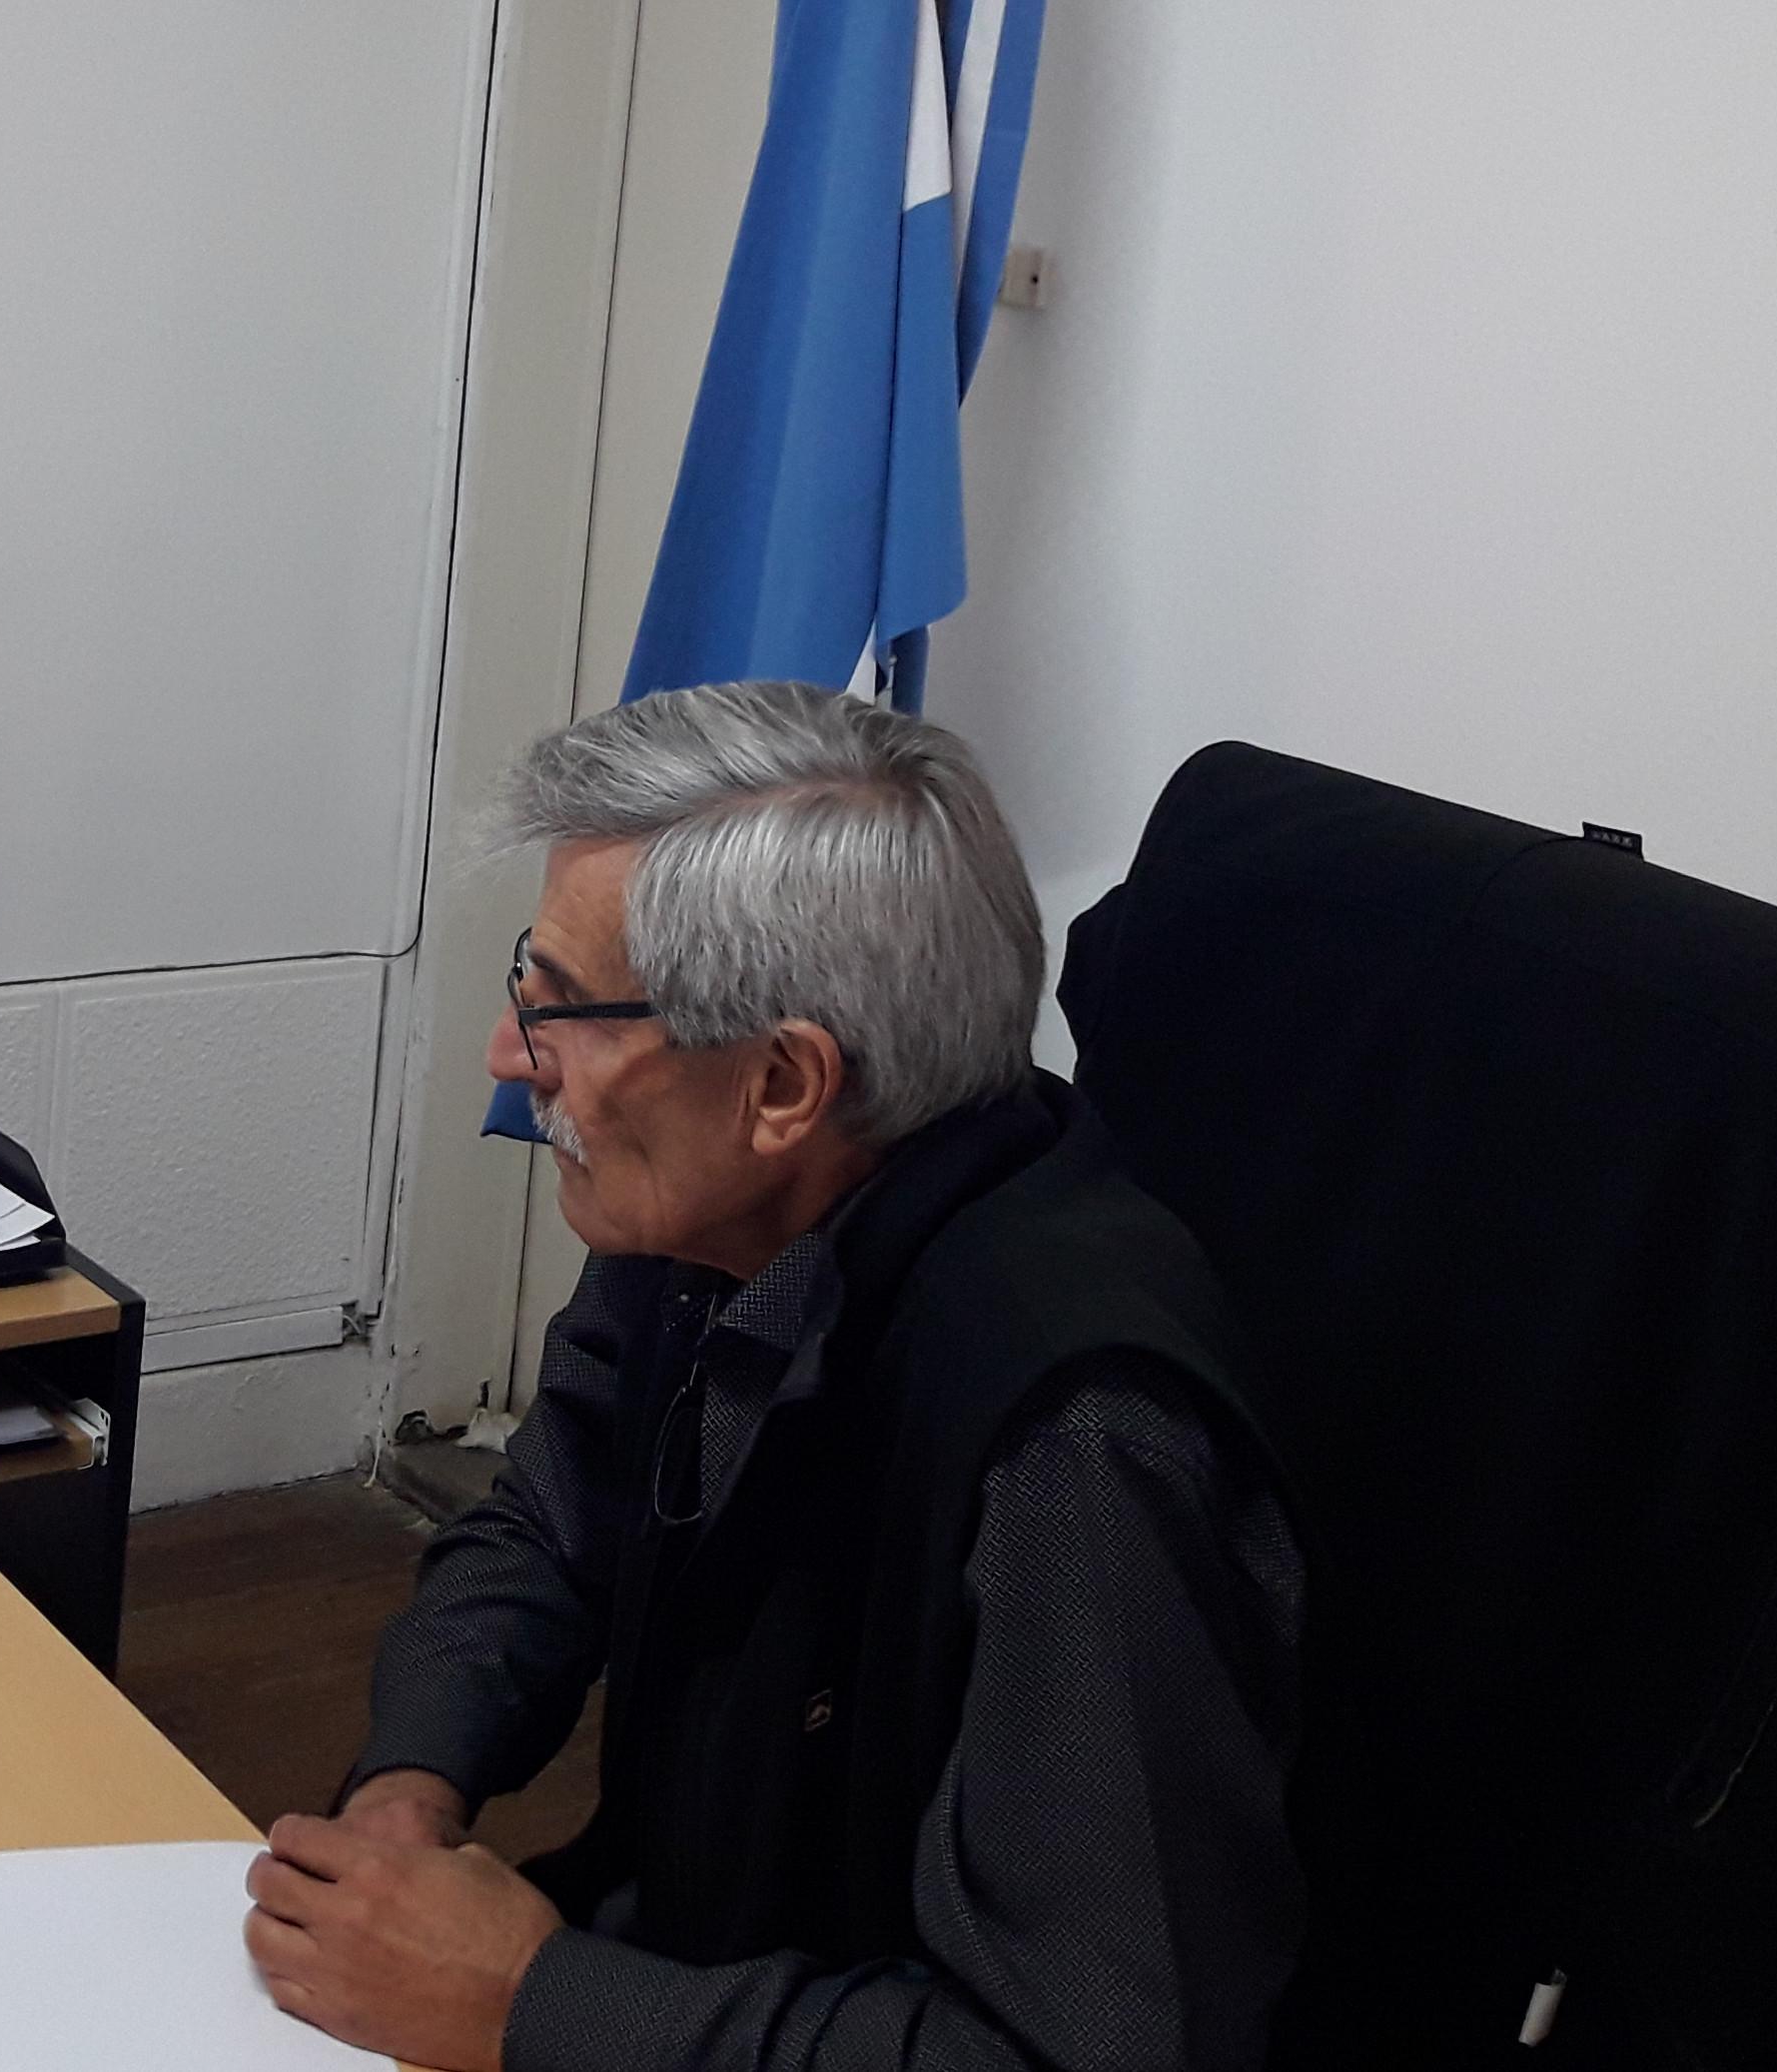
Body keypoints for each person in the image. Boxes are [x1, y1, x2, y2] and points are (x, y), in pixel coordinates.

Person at [246, 684, 1307, 2072]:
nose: (512, 1057)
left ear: (782, 1085)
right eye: (527, 985)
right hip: (693, 1970)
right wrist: (412, 1777)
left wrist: (527, 2002)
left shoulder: (1076, 1442)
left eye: (564, 1010)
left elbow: (1081, 2053)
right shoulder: (721, 1215)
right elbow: (550, 1524)